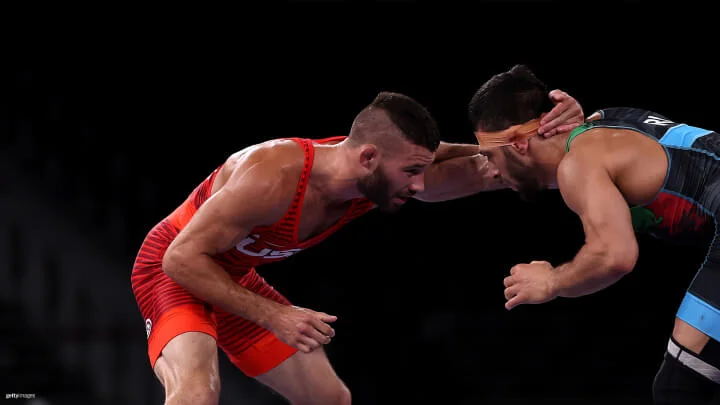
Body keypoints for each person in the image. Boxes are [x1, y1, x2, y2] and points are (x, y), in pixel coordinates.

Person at [131, 89, 583, 405]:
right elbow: (181, 259)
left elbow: (492, 170)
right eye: (411, 171)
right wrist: (275, 315)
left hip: (230, 277)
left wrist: (563, 141)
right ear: (368, 158)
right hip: (175, 268)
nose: (419, 185)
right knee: (196, 393)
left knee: (330, 398)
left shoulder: (373, 176)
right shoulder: (273, 175)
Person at [469, 64, 720, 404]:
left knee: (682, 386)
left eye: (489, 156)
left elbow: (614, 256)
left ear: (517, 143)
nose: (491, 172)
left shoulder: (578, 165)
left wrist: (551, 282)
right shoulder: (601, 123)